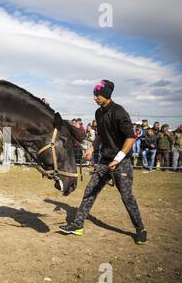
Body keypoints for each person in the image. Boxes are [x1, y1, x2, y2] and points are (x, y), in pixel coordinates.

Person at [59, 79, 147, 244]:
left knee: (127, 197)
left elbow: (131, 137)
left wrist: (118, 158)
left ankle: (140, 229)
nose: (95, 98)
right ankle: (78, 224)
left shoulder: (119, 112)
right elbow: (101, 134)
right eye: (94, 95)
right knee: (90, 191)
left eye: (97, 95)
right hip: (103, 160)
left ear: (106, 94)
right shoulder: (98, 113)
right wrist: (92, 148)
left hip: (122, 162)